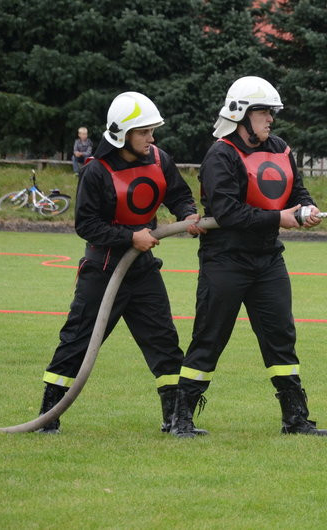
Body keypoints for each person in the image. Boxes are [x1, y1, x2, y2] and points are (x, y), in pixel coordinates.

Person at [170, 76, 327, 438]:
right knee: (209, 337)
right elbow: (227, 212)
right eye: (264, 112)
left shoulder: (280, 148)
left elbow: (297, 191)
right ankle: (182, 420)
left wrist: (306, 208)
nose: (270, 119)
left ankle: (296, 419)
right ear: (241, 113)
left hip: (268, 260)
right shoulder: (221, 154)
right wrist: (280, 218)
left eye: (271, 113)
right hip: (225, 260)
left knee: (281, 337)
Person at [37, 92, 205, 434]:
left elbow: (178, 193)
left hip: (142, 270)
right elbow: (86, 225)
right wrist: (131, 237)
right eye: (144, 131)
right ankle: (47, 416)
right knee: (77, 340)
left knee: (164, 341)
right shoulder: (96, 171)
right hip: (102, 271)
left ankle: (174, 419)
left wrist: (187, 214)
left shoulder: (160, 159)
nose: (151, 138)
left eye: (152, 130)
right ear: (121, 133)